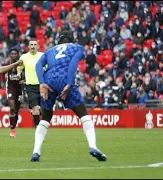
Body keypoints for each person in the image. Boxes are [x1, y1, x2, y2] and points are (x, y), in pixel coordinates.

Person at [31, 30, 107, 162]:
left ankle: (36, 152)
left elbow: (38, 64)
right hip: (65, 78)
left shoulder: (50, 51)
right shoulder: (77, 47)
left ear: (58, 42)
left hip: (48, 81)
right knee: (83, 115)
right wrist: (69, 83)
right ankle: (93, 147)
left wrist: (41, 83)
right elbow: (73, 64)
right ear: (71, 40)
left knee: (46, 118)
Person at [17, 40, 43, 128]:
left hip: (42, 85)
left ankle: (38, 121)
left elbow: (48, 67)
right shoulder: (24, 57)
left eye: (35, 44)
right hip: (30, 86)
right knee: (35, 108)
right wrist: (18, 73)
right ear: (28, 46)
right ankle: (38, 128)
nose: (33, 46)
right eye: (31, 44)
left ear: (38, 46)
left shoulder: (42, 56)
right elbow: (19, 67)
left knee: (42, 109)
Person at [4, 48, 23, 138]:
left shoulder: (22, 65)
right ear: (10, 55)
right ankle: (12, 130)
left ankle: (14, 126)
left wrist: (23, 80)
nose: (14, 55)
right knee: (12, 108)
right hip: (10, 89)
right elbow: (2, 73)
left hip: (20, 90)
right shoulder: (7, 65)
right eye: (12, 54)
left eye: (15, 54)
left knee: (16, 110)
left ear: (18, 55)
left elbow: (26, 75)